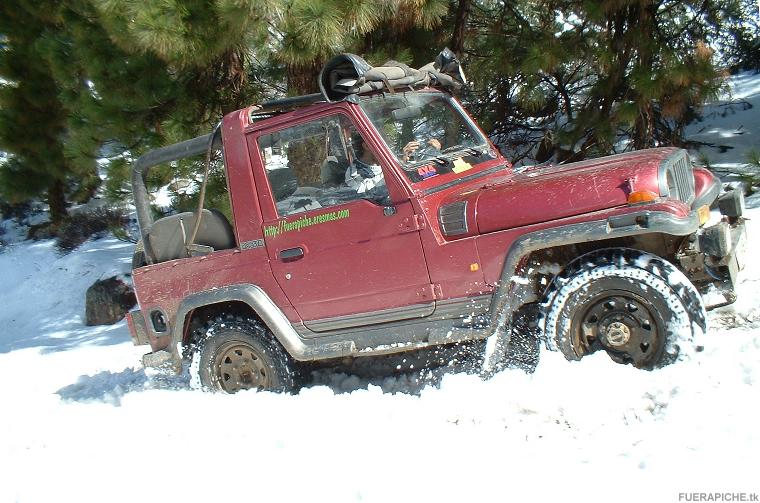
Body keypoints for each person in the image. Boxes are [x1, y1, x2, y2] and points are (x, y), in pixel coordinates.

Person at [344, 134, 388, 200]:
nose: (385, 150)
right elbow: (366, 195)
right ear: (366, 146)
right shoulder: (353, 173)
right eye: (380, 145)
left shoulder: (385, 165)